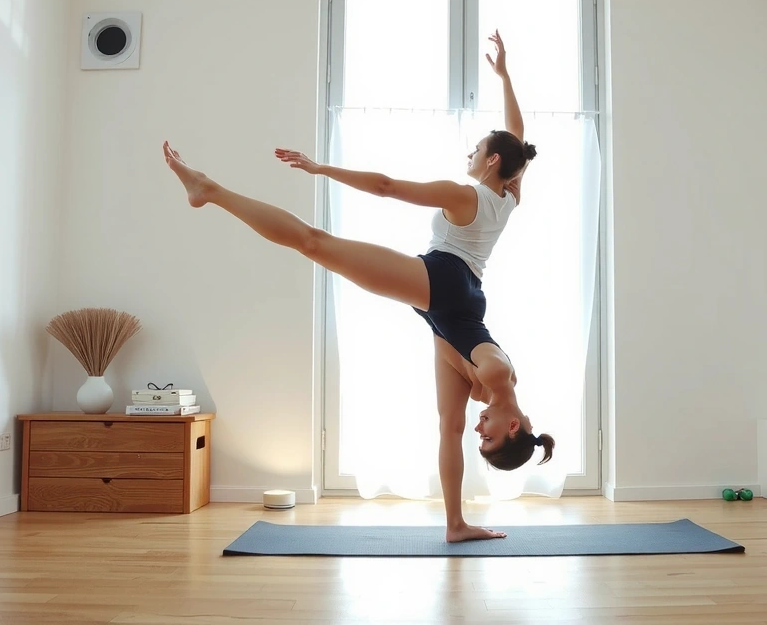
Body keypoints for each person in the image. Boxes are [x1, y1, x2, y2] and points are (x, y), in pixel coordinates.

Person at [163, 30, 553, 543]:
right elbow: (400, 183)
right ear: (513, 427)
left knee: (446, 427)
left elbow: (511, 140)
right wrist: (321, 169)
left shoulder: (490, 192)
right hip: (449, 291)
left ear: (492, 161)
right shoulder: (493, 201)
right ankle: (209, 191)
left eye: (475, 150)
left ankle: (456, 525)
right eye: (490, 437)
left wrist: (505, 77)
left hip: (449, 300)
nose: (482, 430)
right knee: (313, 242)